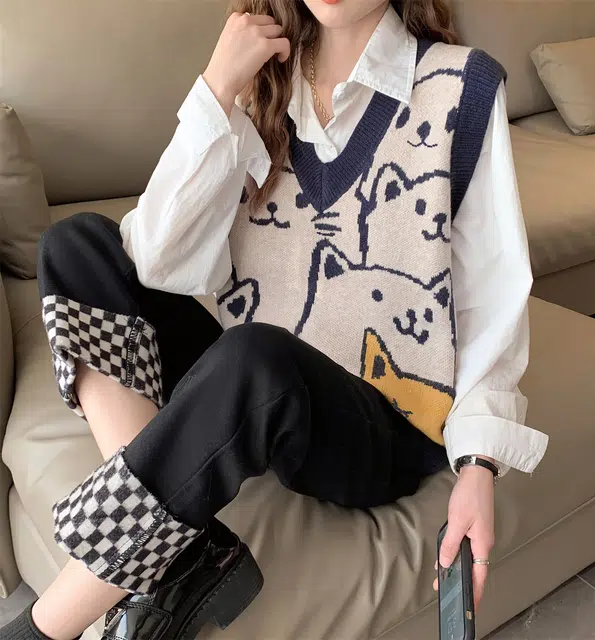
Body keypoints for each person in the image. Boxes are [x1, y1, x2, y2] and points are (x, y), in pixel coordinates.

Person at [1, 1, 549, 639]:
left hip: (378, 422)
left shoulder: (463, 85)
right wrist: (217, 89)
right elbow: (154, 260)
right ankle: (177, 553)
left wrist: (479, 464)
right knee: (77, 246)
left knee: (253, 358)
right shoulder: (264, 84)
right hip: (260, 385)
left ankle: (43, 629)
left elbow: (491, 298)